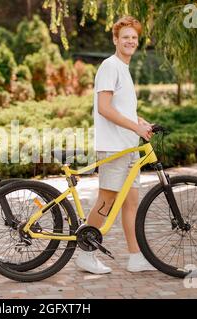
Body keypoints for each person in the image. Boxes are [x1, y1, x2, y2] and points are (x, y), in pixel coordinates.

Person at [75, 16, 156, 274]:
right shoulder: (110, 66)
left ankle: (135, 256)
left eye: (134, 37)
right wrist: (136, 127)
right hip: (114, 148)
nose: (130, 41)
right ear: (115, 40)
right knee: (107, 200)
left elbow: (122, 109)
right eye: (125, 37)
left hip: (128, 147)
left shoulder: (124, 68)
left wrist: (140, 122)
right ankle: (86, 255)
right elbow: (104, 108)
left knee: (131, 203)